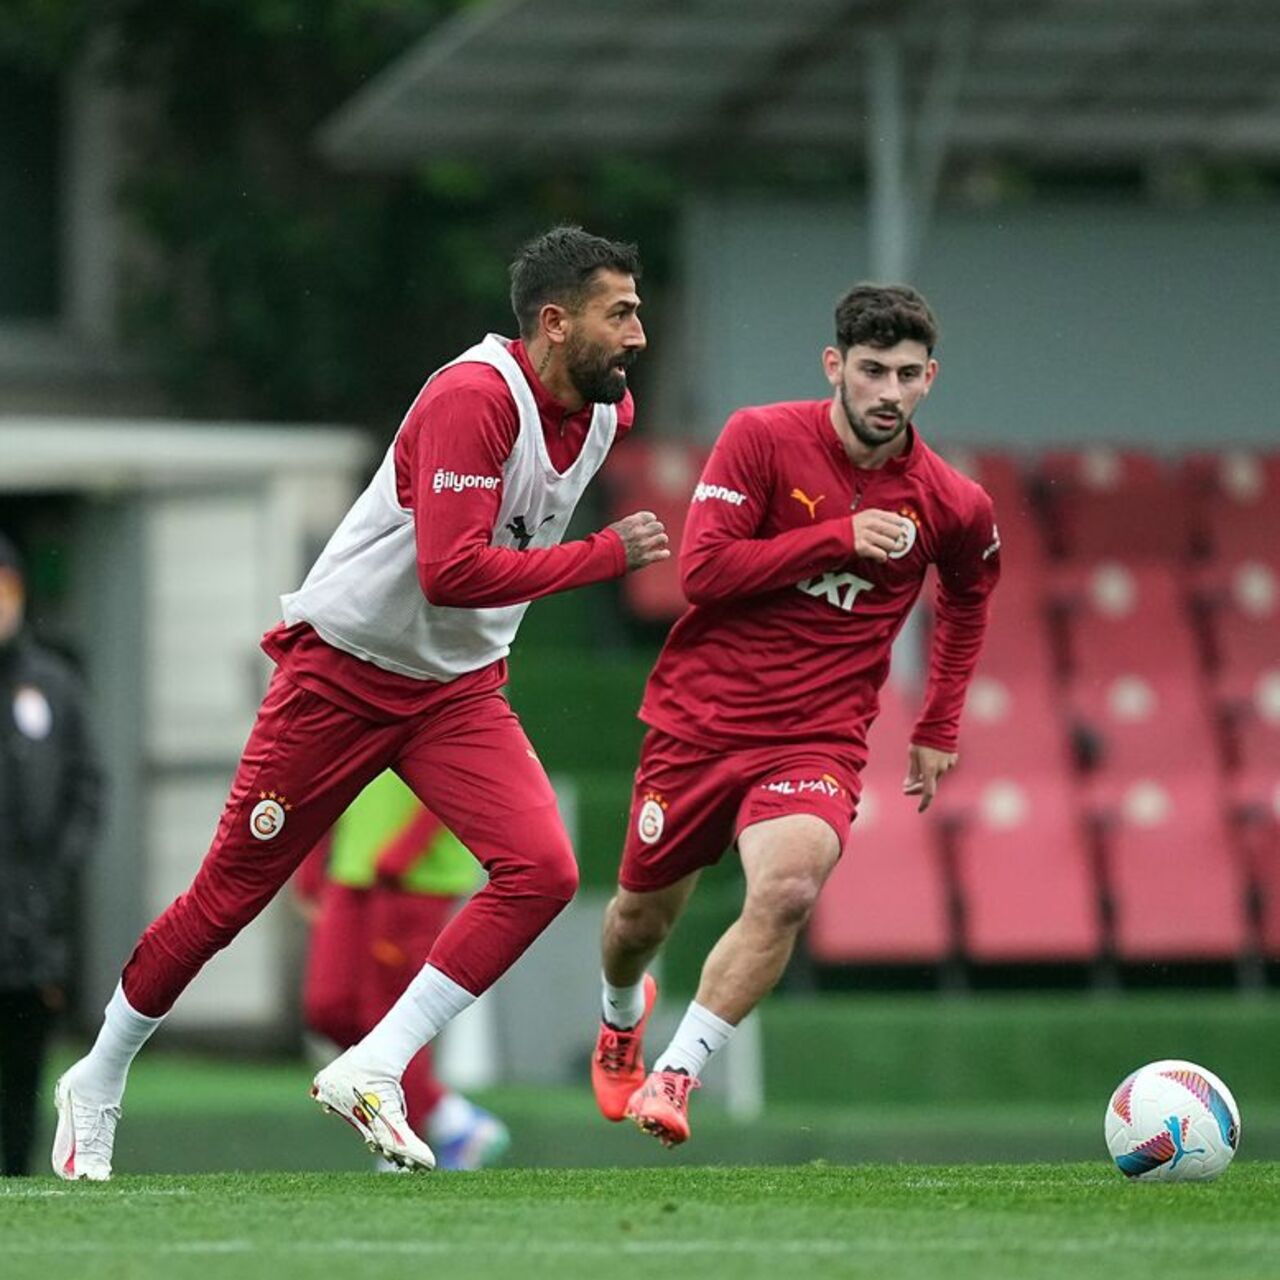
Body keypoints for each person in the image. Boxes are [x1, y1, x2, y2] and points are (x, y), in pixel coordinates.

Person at [54, 224, 668, 1180]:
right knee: (227, 899)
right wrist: (605, 555)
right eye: (619, 312)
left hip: (456, 690)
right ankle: (97, 1076)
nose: (638, 333)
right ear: (555, 322)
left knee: (542, 871)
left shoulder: (603, 415)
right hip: (342, 673)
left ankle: (376, 1067)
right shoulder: (472, 398)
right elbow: (451, 570)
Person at [590, 284, 1001, 1146]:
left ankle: (678, 1074)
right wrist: (838, 538)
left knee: (788, 889)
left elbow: (969, 598)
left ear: (932, 378)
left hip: (817, 736)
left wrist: (938, 725)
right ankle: (623, 1019)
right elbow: (700, 574)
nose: (890, 391)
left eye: (909, 375)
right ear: (835, 368)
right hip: (700, 720)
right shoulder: (762, 439)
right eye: (872, 370)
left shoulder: (952, 503)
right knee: (636, 924)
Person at [295, 770, 508, 1171]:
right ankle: (450, 1118)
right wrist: (310, 858)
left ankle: (401, 1138)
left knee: (387, 1014)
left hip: (416, 877)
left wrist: (405, 851)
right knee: (328, 1008)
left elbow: (462, 769)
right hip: (353, 867)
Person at [0, 533, 101, 1175]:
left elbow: (87, 789)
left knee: (20, 1072)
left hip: (30, 925)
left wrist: (56, 875)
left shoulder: (54, 687)